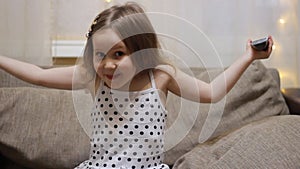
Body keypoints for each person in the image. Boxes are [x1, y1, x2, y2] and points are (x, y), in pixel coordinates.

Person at [0, 2, 273, 169]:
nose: (107, 65)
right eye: (99, 55)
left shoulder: (161, 76)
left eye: (118, 54)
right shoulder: (91, 77)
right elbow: (36, 74)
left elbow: (212, 93)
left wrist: (249, 56)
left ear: (141, 49)